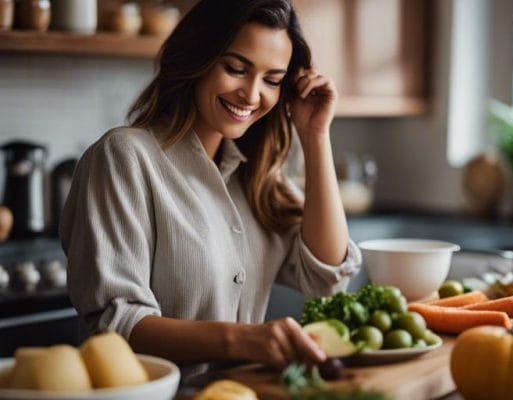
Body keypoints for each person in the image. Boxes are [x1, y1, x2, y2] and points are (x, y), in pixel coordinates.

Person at [59, 0, 361, 382]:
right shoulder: (124, 157)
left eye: (271, 80)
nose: (251, 95)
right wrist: (242, 340)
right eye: (236, 69)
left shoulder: (257, 175)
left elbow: (327, 278)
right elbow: (115, 323)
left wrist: (316, 135)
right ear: (197, 58)